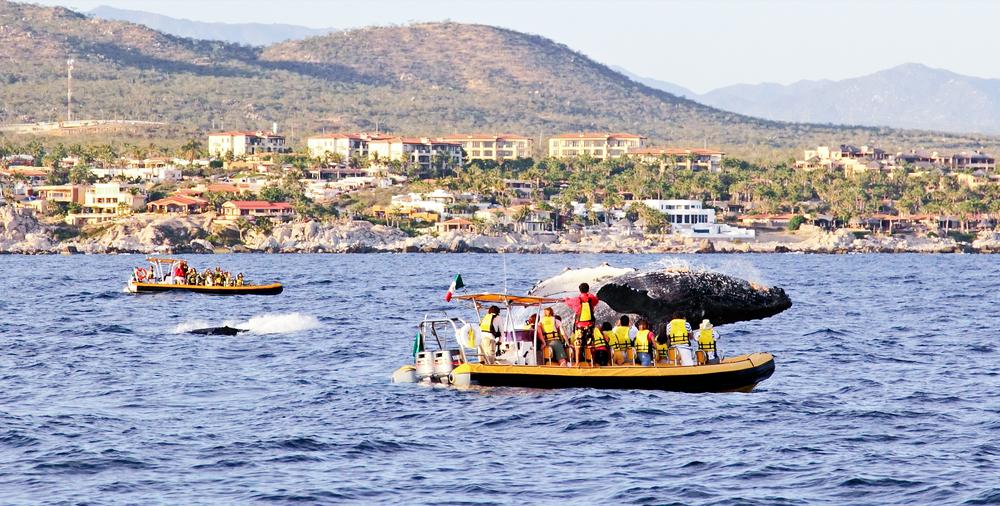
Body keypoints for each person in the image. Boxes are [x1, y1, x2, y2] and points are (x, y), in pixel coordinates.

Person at [563, 282, 600, 354]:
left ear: (580, 290)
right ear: (588, 289)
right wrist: (589, 294)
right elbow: (596, 301)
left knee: (578, 343)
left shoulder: (577, 299)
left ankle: (577, 362)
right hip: (590, 325)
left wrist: (566, 299)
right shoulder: (591, 298)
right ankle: (592, 362)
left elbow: (568, 302)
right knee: (590, 343)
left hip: (580, 325)